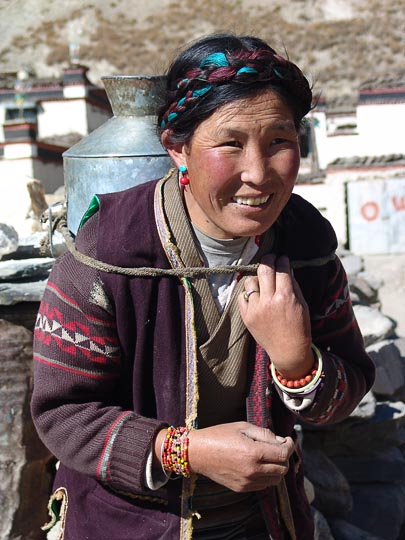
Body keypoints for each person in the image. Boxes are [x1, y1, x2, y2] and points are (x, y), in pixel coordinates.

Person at [31, 33, 374, 540]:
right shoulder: (109, 253)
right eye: (230, 143)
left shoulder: (306, 247)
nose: (258, 174)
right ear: (177, 148)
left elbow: (347, 391)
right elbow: (63, 412)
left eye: (280, 141)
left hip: (265, 520)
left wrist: (298, 363)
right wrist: (185, 451)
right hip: (126, 524)